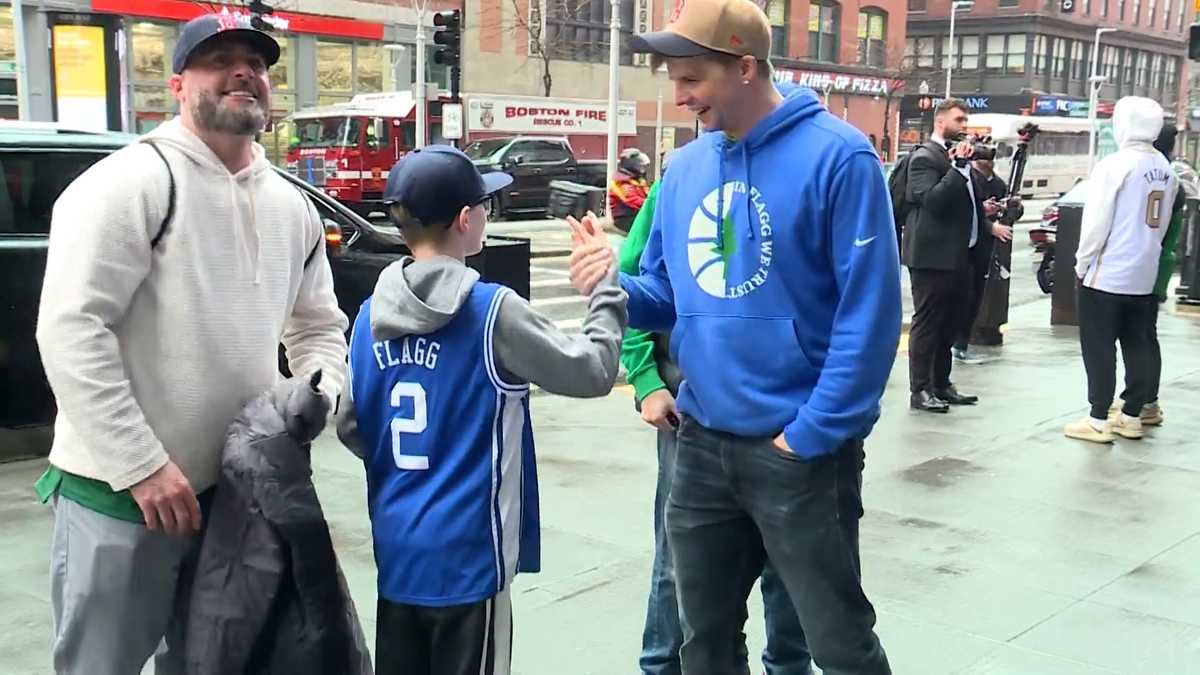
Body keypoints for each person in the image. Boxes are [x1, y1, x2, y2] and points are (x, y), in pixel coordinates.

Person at [572, 0, 899, 672]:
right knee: (705, 641)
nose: (680, 95)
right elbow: (666, 298)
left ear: (745, 66)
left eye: (692, 78)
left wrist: (807, 435)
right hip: (701, 451)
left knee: (837, 642)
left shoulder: (841, 159)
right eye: (675, 79)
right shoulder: (686, 169)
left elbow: (869, 318)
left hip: (801, 455)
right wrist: (609, 283)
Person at [33, 14, 350, 674]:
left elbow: (317, 323)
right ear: (178, 85)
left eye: (257, 63)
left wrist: (322, 386)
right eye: (219, 60)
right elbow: (69, 329)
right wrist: (141, 463)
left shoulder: (293, 207)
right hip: (120, 498)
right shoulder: (127, 185)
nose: (244, 72)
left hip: (235, 499)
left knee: (210, 664)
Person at [336, 145, 626, 675]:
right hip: (470, 556)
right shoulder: (492, 312)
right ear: (466, 220)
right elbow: (593, 371)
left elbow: (353, 425)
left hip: (399, 550)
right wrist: (605, 291)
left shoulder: (367, 318)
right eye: (485, 206)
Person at [620, 179, 813, 675]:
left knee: (790, 572)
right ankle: (661, 667)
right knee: (677, 568)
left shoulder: (812, 168)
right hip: (691, 415)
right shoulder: (682, 180)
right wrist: (645, 379)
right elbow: (637, 278)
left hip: (788, 421)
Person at [1065, 97, 1179, 444]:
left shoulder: (1115, 165)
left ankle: (1098, 417)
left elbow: (1096, 223)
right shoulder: (1165, 169)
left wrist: (1082, 262)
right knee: (1138, 342)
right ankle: (1131, 414)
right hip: (1144, 271)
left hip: (1108, 271)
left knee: (1099, 346)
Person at [902, 98, 986, 413]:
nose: (965, 126)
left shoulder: (951, 157)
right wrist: (960, 167)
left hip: (958, 255)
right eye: (960, 120)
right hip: (931, 257)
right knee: (927, 323)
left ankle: (941, 384)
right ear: (941, 122)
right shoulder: (925, 157)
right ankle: (920, 390)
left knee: (950, 322)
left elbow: (961, 202)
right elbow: (933, 201)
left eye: (966, 120)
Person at [1109, 123, 1187, 428]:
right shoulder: (1170, 176)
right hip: (1159, 265)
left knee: (1138, 338)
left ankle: (1140, 401)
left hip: (1146, 265)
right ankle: (1146, 401)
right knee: (1145, 336)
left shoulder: (1154, 177)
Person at [952, 154, 1023, 361]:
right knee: (963, 297)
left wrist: (1011, 208)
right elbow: (962, 212)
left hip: (985, 248)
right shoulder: (966, 179)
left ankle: (962, 343)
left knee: (976, 296)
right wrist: (989, 224)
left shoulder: (998, 183)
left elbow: (1011, 210)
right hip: (967, 246)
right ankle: (957, 343)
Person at [610, 147, 652, 233]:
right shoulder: (621, 182)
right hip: (625, 219)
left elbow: (649, 194)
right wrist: (652, 204)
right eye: (639, 165)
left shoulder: (637, 179)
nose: (641, 168)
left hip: (637, 215)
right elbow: (633, 201)